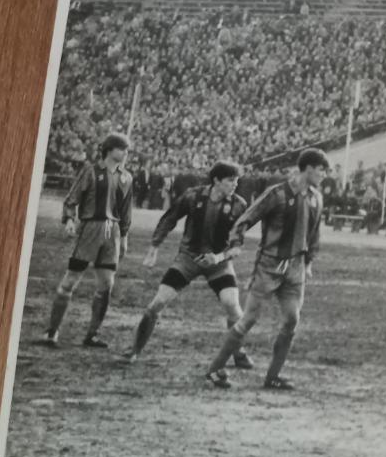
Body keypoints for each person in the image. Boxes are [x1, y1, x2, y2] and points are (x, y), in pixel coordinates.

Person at [203, 148, 328, 390]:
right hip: (269, 266)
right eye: (322, 169)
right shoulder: (277, 194)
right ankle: (214, 369)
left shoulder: (316, 198)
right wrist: (236, 243)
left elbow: (314, 234)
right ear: (309, 168)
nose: (324, 175)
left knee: (292, 319)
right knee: (248, 320)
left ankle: (273, 377)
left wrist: (308, 262)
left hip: (295, 269)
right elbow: (246, 218)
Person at [125, 161, 251, 366]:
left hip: (218, 263)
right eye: (230, 180)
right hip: (188, 259)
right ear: (216, 180)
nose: (235, 184)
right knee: (156, 304)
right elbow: (169, 218)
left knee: (233, 307)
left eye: (237, 180)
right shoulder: (193, 196)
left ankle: (238, 352)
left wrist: (218, 258)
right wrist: (154, 246)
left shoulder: (239, 205)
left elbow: (237, 246)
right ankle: (134, 350)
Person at [35, 133, 134, 349]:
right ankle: (52, 332)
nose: (126, 153)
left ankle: (92, 334)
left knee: (107, 284)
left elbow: (126, 212)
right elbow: (72, 198)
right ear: (110, 149)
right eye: (123, 148)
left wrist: (124, 237)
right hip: (90, 229)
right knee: (71, 280)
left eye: (127, 150)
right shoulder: (91, 170)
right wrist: (70, 219)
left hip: (113, 234)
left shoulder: (126, 177)